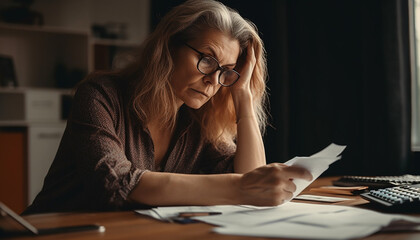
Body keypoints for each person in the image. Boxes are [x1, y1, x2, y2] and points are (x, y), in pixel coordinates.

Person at [24, 0, 312, 214]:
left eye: (225, 70)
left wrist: (243, 97)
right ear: (169, 45)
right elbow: (114, 184)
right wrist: (240, 188)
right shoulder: (99, 95)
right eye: (207, 59)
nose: (213, 80)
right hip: (49, 232)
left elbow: (252, 181)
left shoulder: (199, 121)